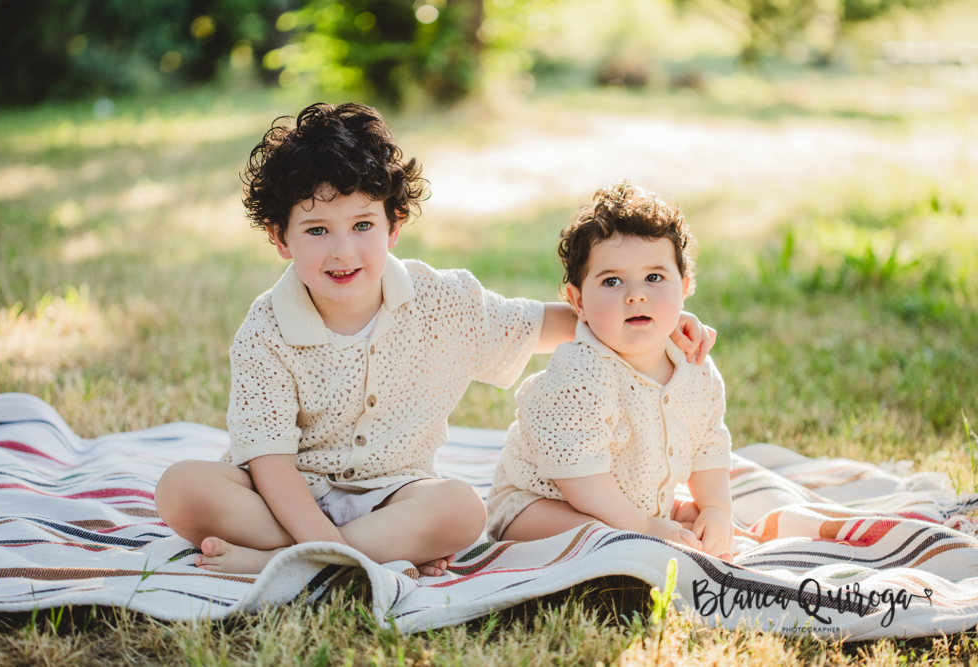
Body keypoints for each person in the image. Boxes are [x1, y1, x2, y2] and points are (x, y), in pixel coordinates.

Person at [154, 104, 717, 576]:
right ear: (280, 238)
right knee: (181, 488)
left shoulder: (442, 301)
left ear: (395, 226)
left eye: (363, 225)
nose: (343, 251)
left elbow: (550, 322)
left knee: (460, 509)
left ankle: (290, 563)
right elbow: (270, 463)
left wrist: (665, 323)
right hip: (284, 497)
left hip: (399, 496)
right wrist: (319, 533)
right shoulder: (266, 328)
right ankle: (334, 558)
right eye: (317, 230)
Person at [485, 180, 733, 561]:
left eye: (654, 277)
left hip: (637, 504)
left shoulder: (694, 366)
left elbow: (708, 445)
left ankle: (647, 531)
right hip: (537, 504)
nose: (636, 294)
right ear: (578, 301)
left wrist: (717, 509)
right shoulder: (581, 375)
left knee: (696, 528)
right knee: (602, 539)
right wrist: (643, 527)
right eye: (612, 281)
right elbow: (577, 475)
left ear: (684, 288)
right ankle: (629, 543)